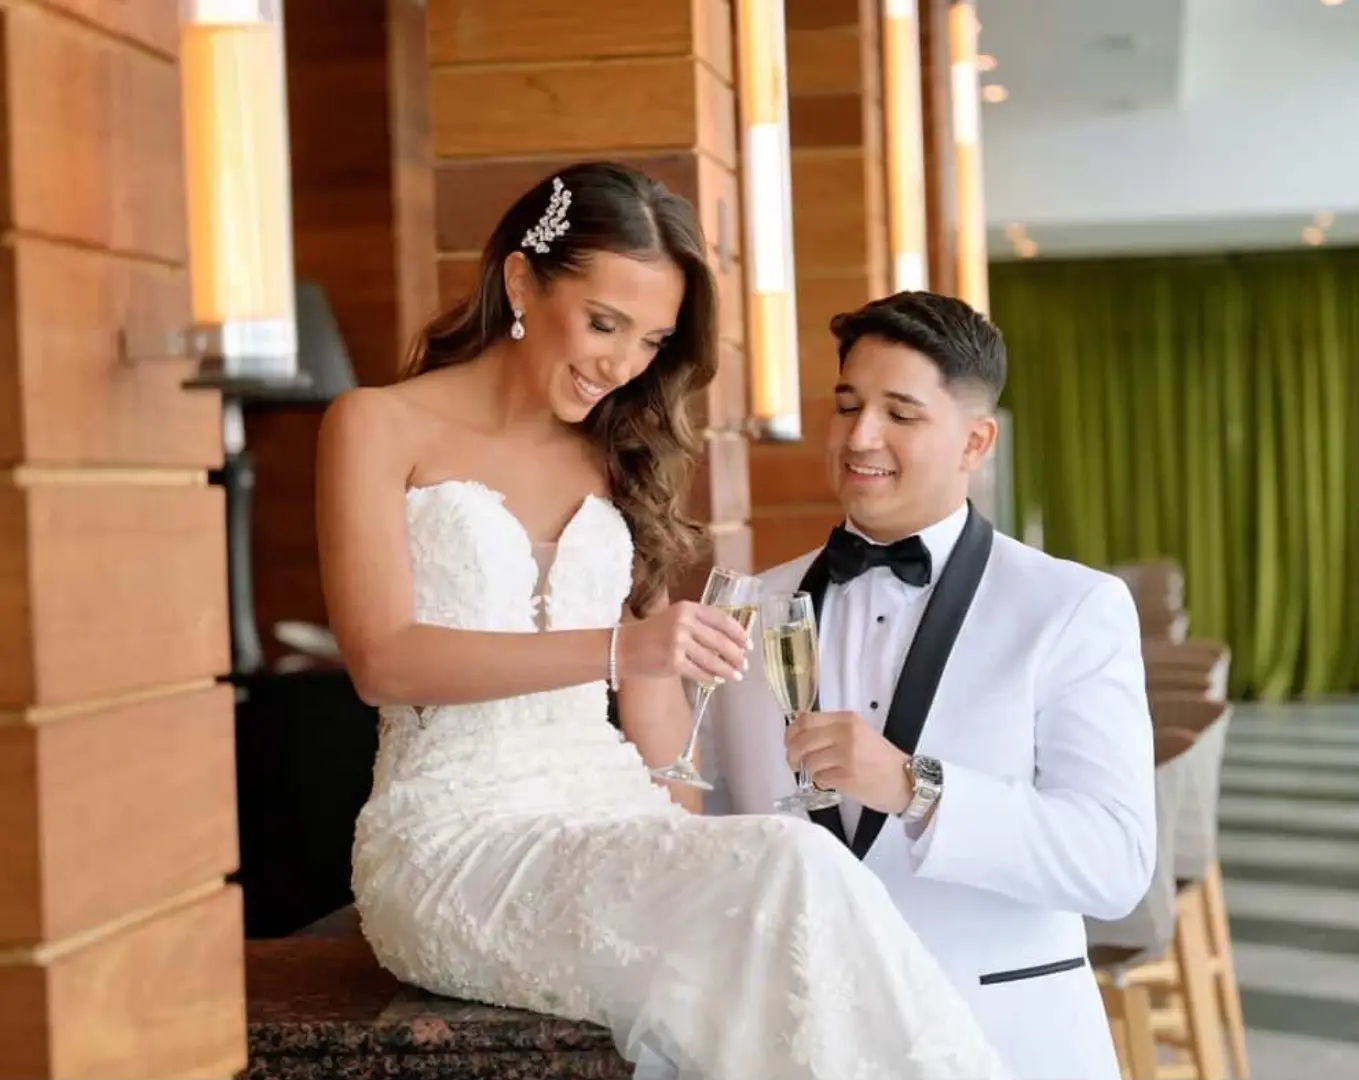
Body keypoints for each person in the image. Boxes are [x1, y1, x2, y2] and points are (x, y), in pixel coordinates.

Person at [315, 162, 1013, 1080]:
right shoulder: (374, 426)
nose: (622, 365)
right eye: (604, 324)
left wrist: (688, 825)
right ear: (522, 282)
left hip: (606, 811)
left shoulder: (615, 454)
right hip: (454, 839)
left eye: (651, 340)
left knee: (785, 865)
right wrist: (620, 646)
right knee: (790, 871)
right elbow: (382, 659)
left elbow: (654, 704)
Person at [708, 291, 1157, 1080]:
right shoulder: (746, 609)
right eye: (847, 406)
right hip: (794, 1046)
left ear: (975, 441)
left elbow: (1114, 865)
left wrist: (916, 788)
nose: (860, 437)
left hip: (1000, 1041)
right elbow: (711, 827)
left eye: (900, 413)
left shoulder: (1071, 608)